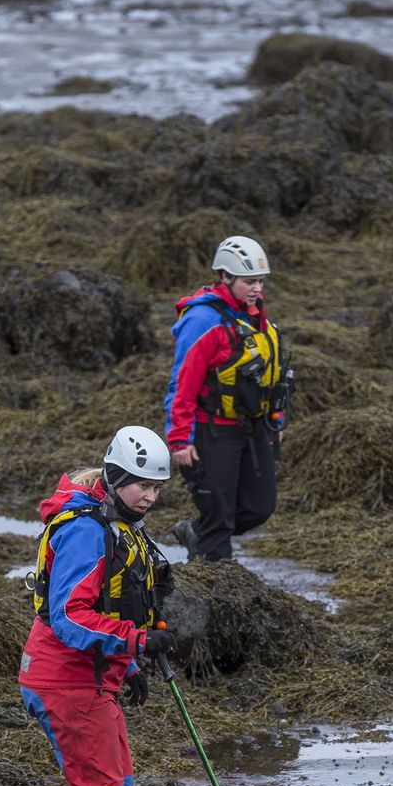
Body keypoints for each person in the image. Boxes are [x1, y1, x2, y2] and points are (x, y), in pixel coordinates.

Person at [0, 426, 176, 786]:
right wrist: (134, 642)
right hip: (64, 682)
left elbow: (111, 602)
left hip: (93, 679)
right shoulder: (86, 529)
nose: (150, 496)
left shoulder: (119, 519)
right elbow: (70, 616)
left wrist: (131, 665)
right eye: (141, 484)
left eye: (157, 488)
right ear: (115, 476)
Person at [165, 235, 291, 561]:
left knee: (259, 507)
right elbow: (182, 384)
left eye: (261, 282)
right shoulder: (203, 321)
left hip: (253, 428)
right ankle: (211, 583)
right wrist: (180, 439)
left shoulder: (254, 317)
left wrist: (275, 419)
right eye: (250, 282)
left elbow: (268, 375)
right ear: (226, 276)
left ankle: (198, 531)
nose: (257, 290)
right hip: (212, 431)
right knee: (218, 519)